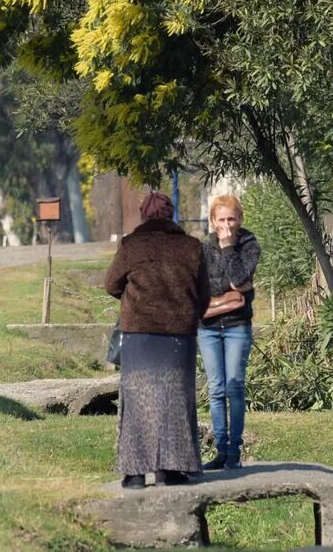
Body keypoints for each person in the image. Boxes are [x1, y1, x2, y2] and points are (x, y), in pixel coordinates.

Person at [104, 191, 209, 489]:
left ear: (143, 215)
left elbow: (111, 283)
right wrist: (189, 314)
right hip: (179, 336)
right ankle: (172, 471)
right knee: (176, 402)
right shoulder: (192, 247)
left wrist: (132, 300)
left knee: (138, 403)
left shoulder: (131, 245)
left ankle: (136, 474)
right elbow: (204, 295)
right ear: (171, 214)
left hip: (140, 335)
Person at [197, 193, 260, 470]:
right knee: (216, 388)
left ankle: (234, 452)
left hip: (237, 326)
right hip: (208, 327)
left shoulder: (249, 244)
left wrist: (227, 248)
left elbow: (240, 279)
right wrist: (230, 288)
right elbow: (205, 287)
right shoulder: (201, 248)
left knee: (234, 385)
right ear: (212, 221)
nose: (227, 224)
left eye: (231, 219)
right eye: (221, 219)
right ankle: (220, 450)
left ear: (240, 219)